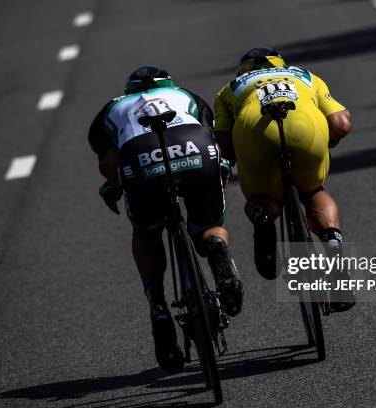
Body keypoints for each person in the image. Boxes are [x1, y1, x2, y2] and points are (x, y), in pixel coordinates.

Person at [88, 66, 243, 374]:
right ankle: (216, 249)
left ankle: (158, 306)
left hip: (141, 158)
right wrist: (221, 168)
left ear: (129, 90)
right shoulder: (185, 96)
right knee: (209, 224)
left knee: (146, 232)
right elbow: (213, 141)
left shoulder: (113, 107)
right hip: (193, 147)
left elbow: (109, 162)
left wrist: (115, 184)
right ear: (169, 84)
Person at [213, 48, 354, 312]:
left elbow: (222, 143)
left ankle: (264, 214)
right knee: (313, 190)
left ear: (244, 71)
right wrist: (330, 140)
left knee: (263, 198)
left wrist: (229, 161)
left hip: (255, 135)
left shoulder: (229, 88)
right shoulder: (306, 76)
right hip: (305, 129)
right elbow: (340, 123)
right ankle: (333, 243)